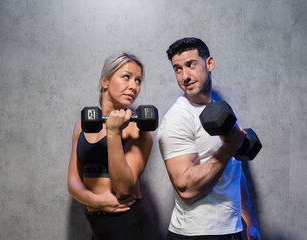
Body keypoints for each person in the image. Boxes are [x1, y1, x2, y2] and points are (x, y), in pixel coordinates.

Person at [157, 37, 261, 240]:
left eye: (191, 65)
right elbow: (185, 189)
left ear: (209, 63)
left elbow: (233, 170)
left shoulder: (221, 110)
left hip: (232, 230)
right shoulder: (178, 118)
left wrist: (249, 221)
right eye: (178, 69)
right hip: (197, 234)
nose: (185, 76)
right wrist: (229, 147)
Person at [68, 52, 159, 240]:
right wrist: (96, 200)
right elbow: (73, 181)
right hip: (98, 227)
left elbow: (124, 188)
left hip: (129, 225)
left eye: (138, 80)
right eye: (127, 77)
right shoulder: (82, 124)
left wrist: (113, 132)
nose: (133, 86)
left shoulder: (137, 129)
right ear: (105, 81)